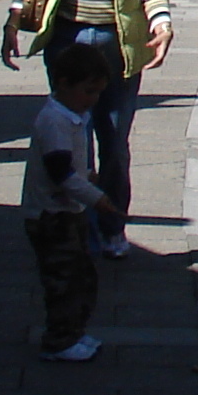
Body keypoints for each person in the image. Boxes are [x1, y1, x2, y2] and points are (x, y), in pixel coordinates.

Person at [0, 0, 173, 258]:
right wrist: (13, 20)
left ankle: (112, 227)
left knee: (113, 143)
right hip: (66, 44)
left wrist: (162, 25)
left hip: (116, 48)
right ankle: (72, 225)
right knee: (70, 141)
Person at [23, 43, 123, 361]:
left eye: (97, 93)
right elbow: (61, 174)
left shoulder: (70, 115)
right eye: (88, 92)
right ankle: (59, 340)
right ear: (63, 83)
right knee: (63, 280)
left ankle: (74, 332)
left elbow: (70, 167)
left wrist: (87, 177)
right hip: (52, 216)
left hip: (68, 211)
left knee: (81, 275)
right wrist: (98, 199)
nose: (93, 100)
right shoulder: (54, 121)